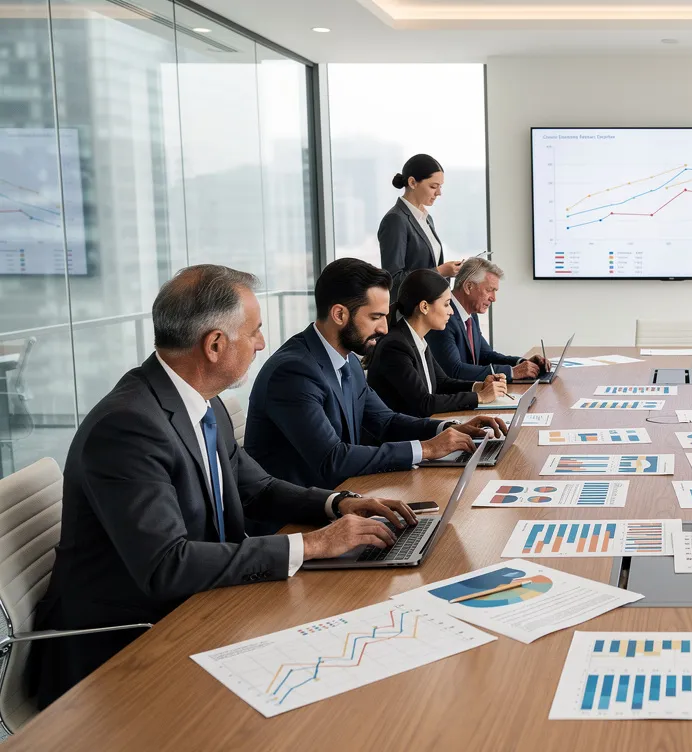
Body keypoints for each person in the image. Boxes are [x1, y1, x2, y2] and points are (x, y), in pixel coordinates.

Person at [27, 265, 421, 708]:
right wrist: (310, 546)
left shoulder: (200, 401)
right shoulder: (129, 426)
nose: (261, 344)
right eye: (253, 332)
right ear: (215, 345)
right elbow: (166, 565)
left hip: (201, 607)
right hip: (122, 647)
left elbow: (259, 488)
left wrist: (339, 503)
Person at [246, 258, 506, 490]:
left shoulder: (346, 360)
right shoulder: (293, 372)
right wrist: (426, 449)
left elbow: (386, 422)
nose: (384, 328)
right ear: (339, 314)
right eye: (375, 317)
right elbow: (332, 459)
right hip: (299, 519)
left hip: (346, 493)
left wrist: (448, 428)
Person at [366, 268, 509, 417]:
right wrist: (480, 397)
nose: (451, 311)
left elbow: (442, 383)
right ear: (424, 307)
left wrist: (479, 387)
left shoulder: (417, 338)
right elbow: (424, 403)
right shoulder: (395, 346)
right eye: (447, 304)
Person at [435, 257, 549, 382]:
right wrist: (511, 372)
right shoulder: (444, 316)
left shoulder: (471, 315)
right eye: (489, 290)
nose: (493, 298)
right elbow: (454, 370)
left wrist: (521, 363)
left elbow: (486, 355)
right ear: (468, 287)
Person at [379, 153, 463, 302]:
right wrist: (440, 271)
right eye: (433, 186)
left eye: (440, 187)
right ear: (412, 183)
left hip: (430, 307)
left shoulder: (426, 219)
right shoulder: (396, 220)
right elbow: (393, 280)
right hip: (410, 312)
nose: (439, 193)